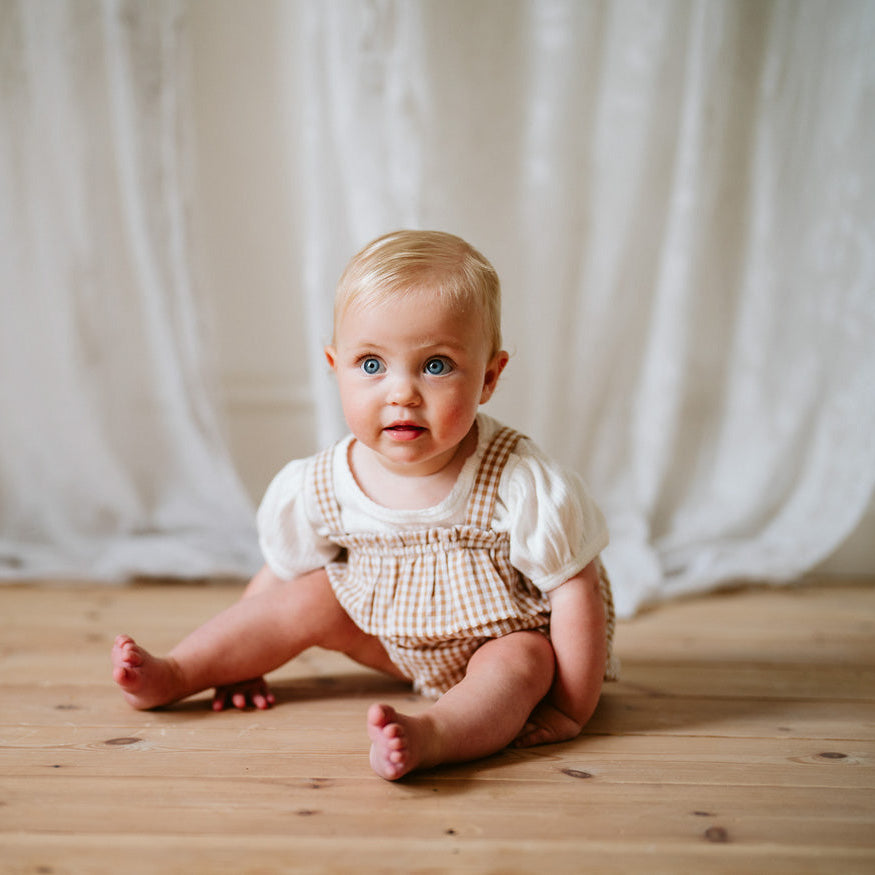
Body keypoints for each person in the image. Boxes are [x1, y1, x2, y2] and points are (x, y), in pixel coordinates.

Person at [112, 230, 617, 781]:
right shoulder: (325, 480)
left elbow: (576, 590)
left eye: (437, 365)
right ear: (335, 365)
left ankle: (437, 734)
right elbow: (277, 581)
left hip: (498, 640)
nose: (401, 393)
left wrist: (571, 705)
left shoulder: (519, 480)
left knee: (524, 662)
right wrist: (245, 661)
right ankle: (181, 671)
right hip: (390, 639)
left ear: (489, 377)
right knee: (310, 594)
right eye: (372, 365)